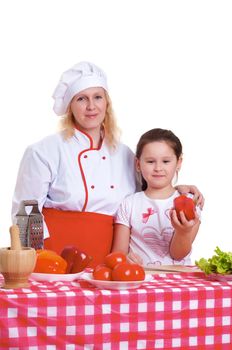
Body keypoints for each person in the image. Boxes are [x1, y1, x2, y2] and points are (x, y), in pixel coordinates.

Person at [12, 62, 203, 267]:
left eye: (97, 97)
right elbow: (26, 213)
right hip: (56, 256)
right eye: (81, 99)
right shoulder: (44, 151)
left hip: (111, 260)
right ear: (70, 106)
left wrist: (178, 190)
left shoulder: (125, 154)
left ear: (107, 103)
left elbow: (150, 194)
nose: (91, 106)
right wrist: (36, 259)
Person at [112, 128, 201, 266]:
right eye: (150, 161)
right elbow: (118, 254)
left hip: (178, 280)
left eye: (166, 161)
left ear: (178, 163)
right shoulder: (129, 204)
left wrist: (183, 231)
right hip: (140, 278)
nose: (158, 168)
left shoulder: (190, 202)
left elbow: (177, 255)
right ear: (138, 164)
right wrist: (126, 259)